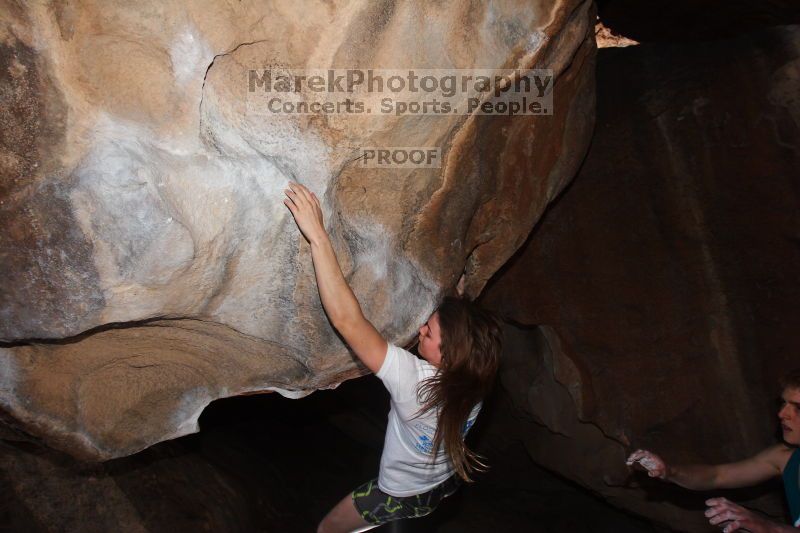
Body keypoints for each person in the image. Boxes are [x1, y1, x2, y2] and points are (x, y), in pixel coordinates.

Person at [283, 181, 502, 533]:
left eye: (428, 334)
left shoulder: (415, 385)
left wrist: (318, 237)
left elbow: (347, 320)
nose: (420, 332)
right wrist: (458, 294)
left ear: (446, 358)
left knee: (328, 529)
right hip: (443, 483)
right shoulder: (476, 377)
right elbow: (467, 333)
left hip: (399, 494)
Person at [626, 370, 800, 533]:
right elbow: (717, 475)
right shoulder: (783, 457)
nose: (782, 413)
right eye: (784, 403)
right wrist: (669, 471)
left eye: (798, 408)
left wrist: (767, 527)